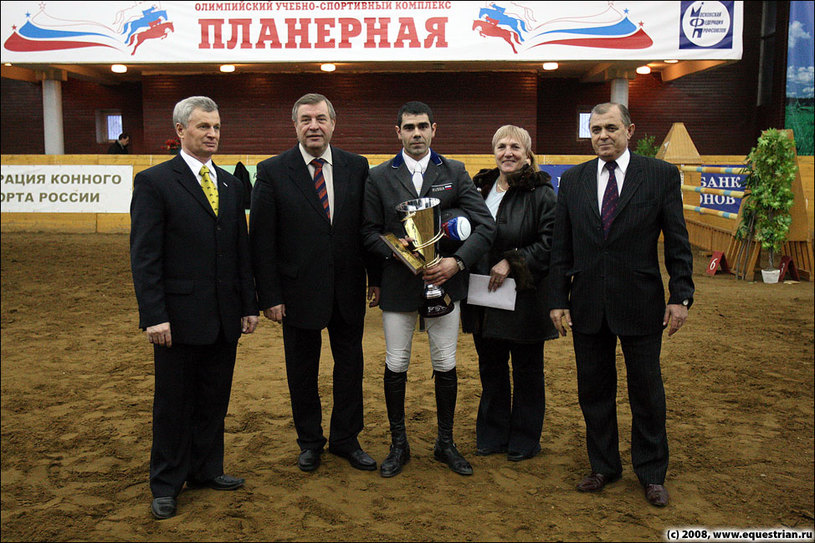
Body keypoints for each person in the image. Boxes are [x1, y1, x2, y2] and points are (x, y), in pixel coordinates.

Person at [548, 102, 695, 507]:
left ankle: (651, 473)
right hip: (588, 304)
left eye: (611, 127)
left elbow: (678, 242)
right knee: (593, 391)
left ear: (629, 130)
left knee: (646, 391)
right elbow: (562, 246)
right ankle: (603, 466)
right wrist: (558, 298)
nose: (602, 136)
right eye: (596, 130)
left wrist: (680, 296)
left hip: (642, 304)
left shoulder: (661, 176)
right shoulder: (574, 181)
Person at [130, 96, 258, 520]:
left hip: (224, 317)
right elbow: (145, 256)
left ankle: (206, 469)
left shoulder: (229, 183)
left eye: (217, 127)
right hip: (178, 319)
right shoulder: (154, 183)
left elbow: (240, 250)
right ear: (181, 130)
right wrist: (154, 315)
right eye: (204, 127)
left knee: (213, 399)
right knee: (173, 403)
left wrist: (248, 304)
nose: (212, 134)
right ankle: (166, 482)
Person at [362, 101, 496, 477]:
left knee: (445, 363)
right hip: (400, 283)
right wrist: (402, 256)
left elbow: (485, 226)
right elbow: (368, 232)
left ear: (434, 129)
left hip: (445, 283)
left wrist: (457, 262)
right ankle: (398, 444)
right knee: (396, 362)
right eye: (409, 127)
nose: (416, 133)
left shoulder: (454, 171)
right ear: (398, 132)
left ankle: (445, 443)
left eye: (423, 126)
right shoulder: (379, 177)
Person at [249, 93, 379, 473]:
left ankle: (345, 439)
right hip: (296, 293)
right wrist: (269, 295)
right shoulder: (272, 170)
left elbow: (366, 228)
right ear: (295, 126)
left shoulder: (357, 167)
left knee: (350, 366)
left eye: (321, 119)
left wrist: (376, 278)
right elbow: (262, 240)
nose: (314, 126)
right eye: (306, 119)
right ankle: (309, 441)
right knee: (302, 372)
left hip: (348, 288)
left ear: (333, 124)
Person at [461, 125, 558, 462]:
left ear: (528, 152)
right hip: (483, 294)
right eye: (501, 146)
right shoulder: (479, 187)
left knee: (527, 370)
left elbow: (550, 242)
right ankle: (492, 433)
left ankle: (525, 438)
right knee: (491, 368)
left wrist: (511, 262)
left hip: (524, 297)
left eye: (515, 147)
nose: (508, 153)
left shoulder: (542, 192)